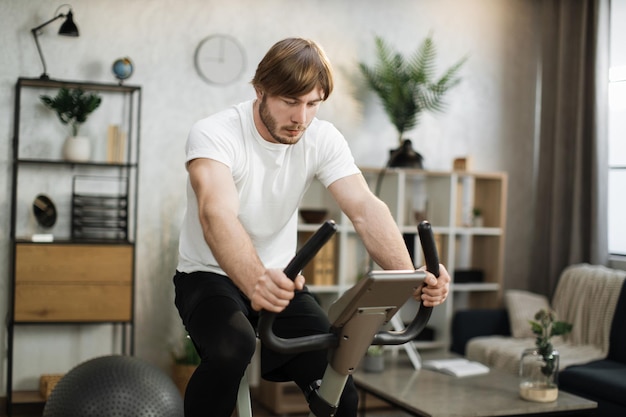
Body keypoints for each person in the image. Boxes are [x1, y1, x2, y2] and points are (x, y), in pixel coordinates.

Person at [173, 37, 451, 417]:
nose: (301, 118)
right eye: (289, 102)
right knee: (231, 348)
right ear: (260, 90)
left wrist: (410, 275)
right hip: (208, 275)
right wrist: (255, 279)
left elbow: (365, 208)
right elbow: (215, 213)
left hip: (283, 279)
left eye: (312, 104)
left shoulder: (321, 137)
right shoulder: (215, 133)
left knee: (340, 392)